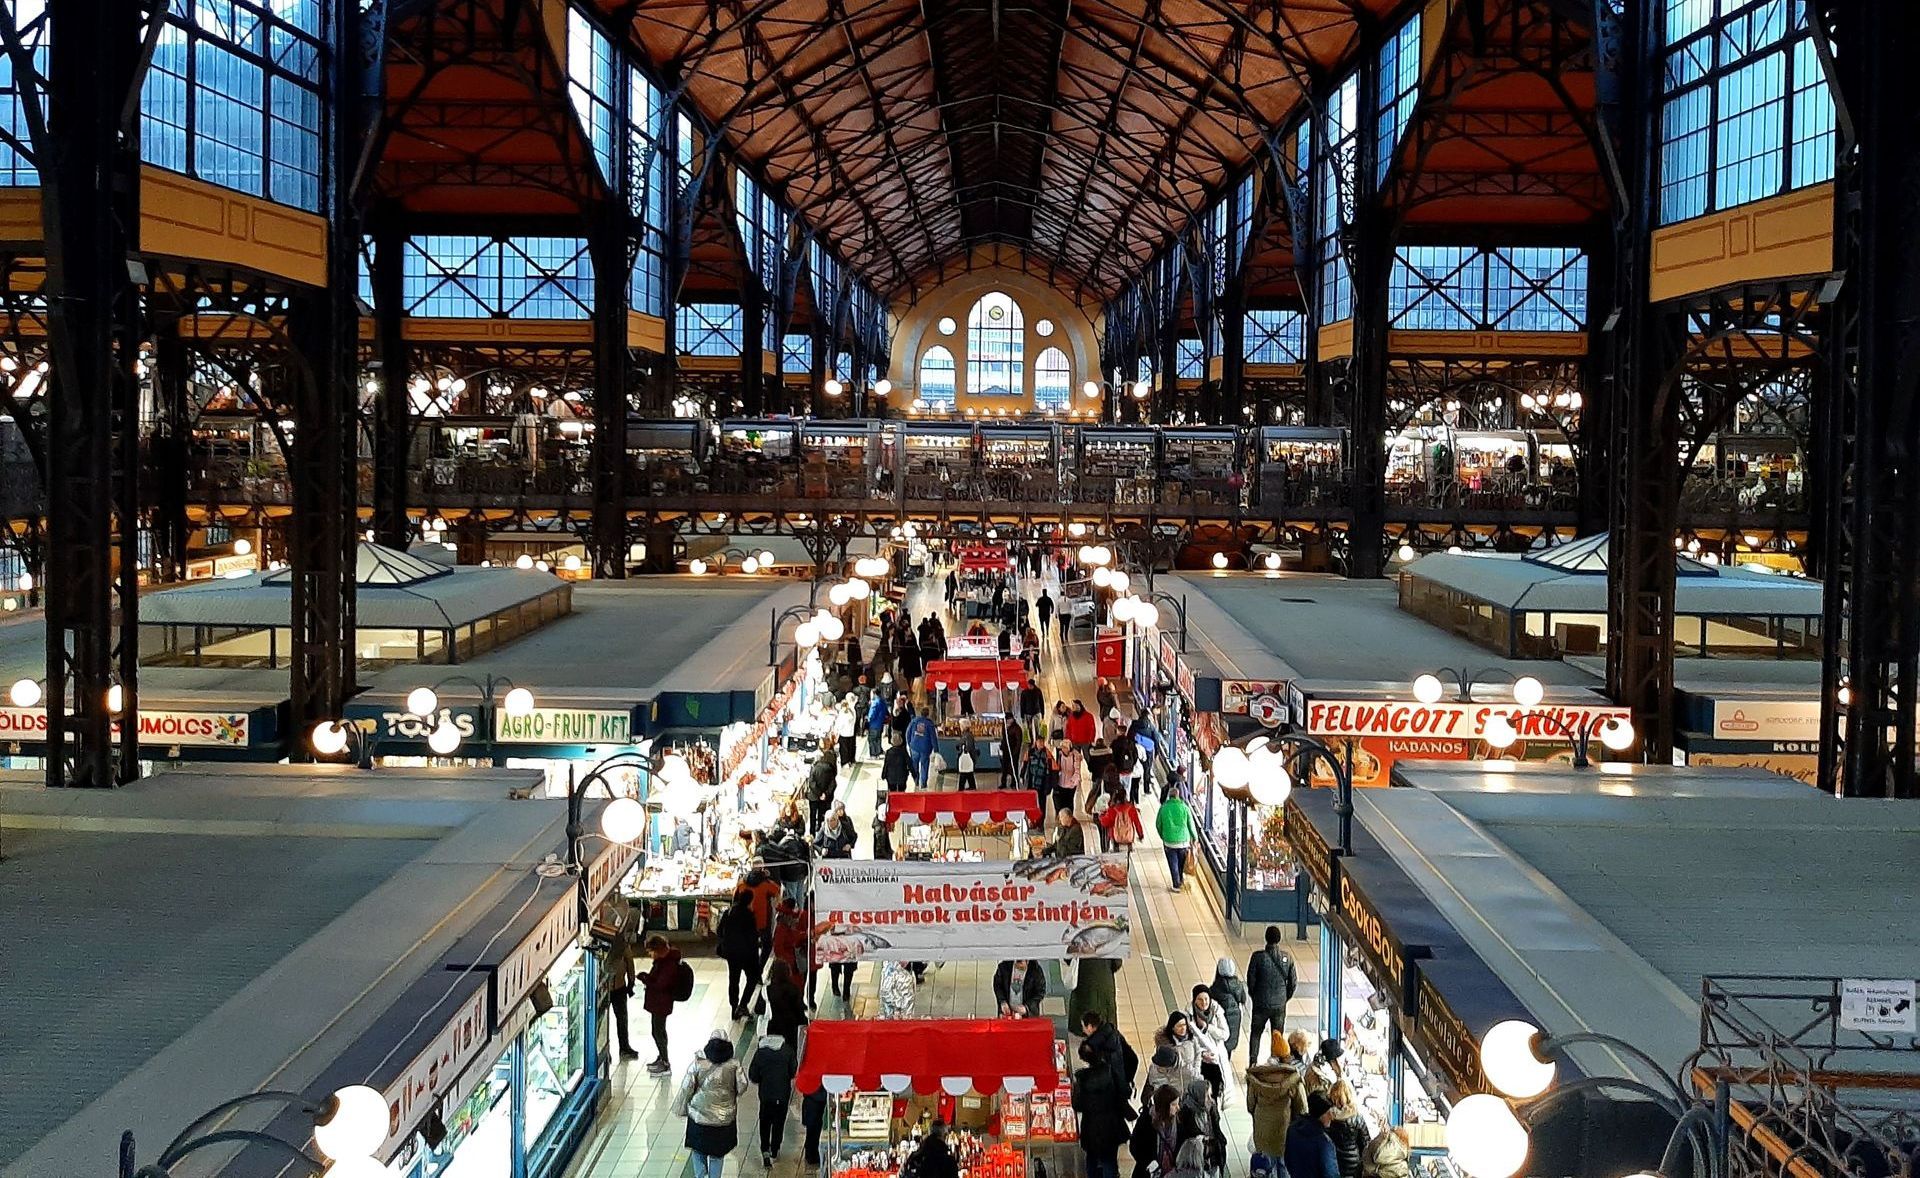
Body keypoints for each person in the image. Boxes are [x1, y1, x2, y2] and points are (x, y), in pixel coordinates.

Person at [673, 1031, 750, 1178]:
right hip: (723, 1119)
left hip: (698, 1117)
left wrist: (681, 1109)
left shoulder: (698, 1063)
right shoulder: (734, 1064)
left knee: (698, 1150)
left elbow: (686, 1087)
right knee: (717, 1155)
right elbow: (742, 1086)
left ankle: (700, 1175)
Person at [1073, 1035, 1135, 1178]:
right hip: (1112, 1124)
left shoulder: (1082, 1079)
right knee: (1109, 1160)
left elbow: (1077, 1105)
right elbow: (1124, 1092)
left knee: (1092, 1159)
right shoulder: (1111, 1072)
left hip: (1091, 1126)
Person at [1247, 1039, 1310, 1159]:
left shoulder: (1257, 1079)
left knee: (1264, 1167)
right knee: (1283, 1167)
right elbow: (1302, 1110)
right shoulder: (1294, 1080)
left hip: (1262, 1133)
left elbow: (1250, 1106)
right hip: (1285, 1134)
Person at [637, 935, 691, 1073]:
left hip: (661, 1003)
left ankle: (665, 1062)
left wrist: (645, 979)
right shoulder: (666, 960)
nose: (649, 955)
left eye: (650, 951)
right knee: (659, 1031)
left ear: (658, 950)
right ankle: (661, 1057)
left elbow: (661, 985)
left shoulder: (668, 964)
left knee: (657, 1032)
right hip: (660, 1002)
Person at [1247, 926, 1299, 1064]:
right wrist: (1284, 998)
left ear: (1266, 938)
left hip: (1260, 1004)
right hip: (1279, 1005)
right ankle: (1275, 1061)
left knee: (1256, 1033)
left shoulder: (1257, 957)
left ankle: (1252, 1061)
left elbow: (1251, 980)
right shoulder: (1287, 958)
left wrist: (1255, 995)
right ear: (1279, 939)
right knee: (1277, 1035)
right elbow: (1293, 983)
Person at [749, 1029, 798, 1167]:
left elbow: (753, 1075)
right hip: (782, 1094)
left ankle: (765, 1149)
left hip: (766, 1095)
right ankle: (775, 1148)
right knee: (779, 1122)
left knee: (765, 1122)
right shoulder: (787, 1051)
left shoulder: (760, 1053)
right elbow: (793, 1071)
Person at [715, 890, 763, 1021]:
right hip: (747, 954)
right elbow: (752, 938)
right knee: (752, 979)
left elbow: (719, 931)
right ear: (750, 901)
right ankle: (743, 1005)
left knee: (733, 980)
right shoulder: (749, 916)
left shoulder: (728, 912)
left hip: (732, 953)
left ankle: (734, 1008)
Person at [1189, 985, 1232, 1101]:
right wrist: (1202, 1053)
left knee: (1214, 1095)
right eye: (1200, 999)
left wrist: (1208, 1027)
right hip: (1200, 1061)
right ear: (1194, 1000)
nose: (1204, 1003)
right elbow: (1190, 1041)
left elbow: (1225, 1034)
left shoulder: (1217, 1011)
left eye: (1206, 999)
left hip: (1216, 1060)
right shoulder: (1189, 1016)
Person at [737, 860, 782, 967]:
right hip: (762, 920)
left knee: (750, 946)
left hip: (746, 919)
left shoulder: (742, 882)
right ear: (762, 869)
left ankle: (751, 968)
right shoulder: (766, 884)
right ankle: (759, 968)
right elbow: (777, 890)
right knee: (767, 945)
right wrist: (767, 877)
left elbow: (736, 897)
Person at [1286, 1092, 1342, 1178]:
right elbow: (1331, 1174)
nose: (1332, 1117)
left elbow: (1288, 1161)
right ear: (1320, 1115)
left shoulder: (1293, 1129)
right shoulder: (1324, 1143)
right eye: (1328, 1113)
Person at [1079, 1009, 1138, 1090]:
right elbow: (1134, 1059)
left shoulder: (1095, 1047)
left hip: (1112, 1091)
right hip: (1121, 1086)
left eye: (1083, 1026)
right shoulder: (1112, 1032)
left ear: (1089, 1026)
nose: (1083, 1030)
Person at [1131, 1084, 1182, 1178]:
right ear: (1164, 1106)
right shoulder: (1146, 1120)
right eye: (1174, 1104)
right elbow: (1134, 1146)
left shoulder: (1179, 1121)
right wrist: (1148, 1163)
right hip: (1149, 1173)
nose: (1178, 1108)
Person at [604, 929, 639, 1059]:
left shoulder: (608, 946)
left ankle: (622, 1047)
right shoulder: (622, 946)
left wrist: (631, 982)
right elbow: (630, 963)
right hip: (616, 988)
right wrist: (631, 982)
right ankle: (622, 1048)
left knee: (618, 1020)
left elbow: (630, 964)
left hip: (615, 988)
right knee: (621, 1019)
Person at [1326, 1081, 1370, 1178]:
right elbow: (1365, 1143)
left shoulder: (1328, 1118)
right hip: (1354, 1164)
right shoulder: (1357, 1117)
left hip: (1334, 1162)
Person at [1209, 956, 1249, 1061]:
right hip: (1235, 1018)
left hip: (1219, 1020)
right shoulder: (1239, 985)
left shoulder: (1215, 988)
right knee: (1229, 1046)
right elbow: (1243, 999)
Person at [1157, 785, 1195, 891]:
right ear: (1178, 796)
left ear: (1169, 796)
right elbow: (1190, 824)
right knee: (1181, 862)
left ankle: (1176, 884)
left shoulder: (1164, 808)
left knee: (1173, 863)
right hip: (1183, 841)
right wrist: (1194, 837)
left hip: (1169, 841)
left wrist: (1163, 835)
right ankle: (1180, 879)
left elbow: (1158, 824)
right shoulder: (1184, 807)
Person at [765, 959, 809, 1041]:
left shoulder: (766, 990)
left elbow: (758, 1009)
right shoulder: (793, 989)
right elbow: (799, 1013)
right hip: (790, 1029)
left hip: (772, 1028)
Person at [1099, 781, 1144, 855]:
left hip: (1115, 838)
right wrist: (1141, 835)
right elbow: (1137, 823)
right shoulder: (1131, 808)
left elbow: (1105, 823)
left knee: (1116, 858)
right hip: (1129, 837)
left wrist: (1101, 816)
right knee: (1128, 857)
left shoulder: (1112, 809)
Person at [905, 706, 938, 787]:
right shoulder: (930, 724)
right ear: (928, 714)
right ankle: (923, 783)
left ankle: (916, 780)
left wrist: (909, 743)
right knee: (924, 766)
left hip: (914, 747)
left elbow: (907, 733)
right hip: (925, 749)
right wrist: (936, 750)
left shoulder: (914, 721)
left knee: (914, 765)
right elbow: (933, 738)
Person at [808, 747, 839, 824]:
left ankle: (812, 832)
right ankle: (820, 827)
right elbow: (833, 784)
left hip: (814, 796)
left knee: (813, 815)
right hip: (826, 798)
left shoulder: (815, 767)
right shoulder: (831, 769)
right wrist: (825, 794)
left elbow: (811, 782)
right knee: (823, 815)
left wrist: (819, 793)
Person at [801, 1087, 829, 1166]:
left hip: (815, 1099)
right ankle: (811, 1155)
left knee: (814, 1129)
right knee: (813, 1129)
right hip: (814, 1100)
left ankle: (811, 1153)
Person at [1055, 744, 1083, 821]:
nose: (1063, 749)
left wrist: (1073, 781)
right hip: (1061, 782)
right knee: (1061, 802)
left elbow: (1077, 770)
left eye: (1064, 747)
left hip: (1071, 785)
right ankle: (1061, 819)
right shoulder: (1060, 755)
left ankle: (1069, 818)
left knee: (1069, 802)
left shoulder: (1075, 756)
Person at [1001, 713, 1026, 788]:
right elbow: (1004, 738)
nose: (1007, 721)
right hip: (1006, 750)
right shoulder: (1005, 726)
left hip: (1013, 751)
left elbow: (1019, 741)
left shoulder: (1017, 728)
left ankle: (1014, 782)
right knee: (1004, 767)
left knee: (1014, 767)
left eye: (1008, 720)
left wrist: (1015, 751)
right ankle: (1003, 783)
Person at [866, 688, 890, 757]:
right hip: (880, 723)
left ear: (874, 694)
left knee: (872, 739)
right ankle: (878, 752)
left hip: (874, 724)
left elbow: (872, 714)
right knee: (878, 738)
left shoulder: (875, 703)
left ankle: (874, 754)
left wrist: (868, 718)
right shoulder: (882, 701)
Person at [836, 697, 859, 766]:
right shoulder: (852, 712)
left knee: (844, 749)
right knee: (850, 748)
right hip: (851, 733)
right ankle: (851, 760)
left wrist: (837, 731)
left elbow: (840, 724)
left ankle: (845, 762)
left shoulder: (842, 713)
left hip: (843, 734)